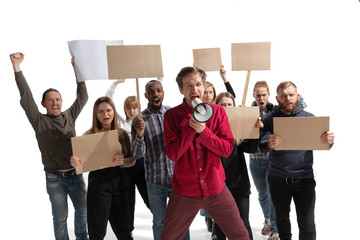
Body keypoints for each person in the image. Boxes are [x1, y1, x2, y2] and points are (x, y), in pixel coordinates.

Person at [160, 66, 249, 240]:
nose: (195, 90)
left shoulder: (218, 112)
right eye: (188, 86)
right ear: (180, 90)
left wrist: (204, 131)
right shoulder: (171, 116)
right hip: (185, 191)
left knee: (240, 234)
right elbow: (173, 154)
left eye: (198, 84)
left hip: (216, 189)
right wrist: (190, 127)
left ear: (204, 85)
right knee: (169, 237)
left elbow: (226, 149)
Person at [10, 52, 88, 240]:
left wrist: (77, 69)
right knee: (60, 219)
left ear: (62, 102)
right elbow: (25, 96)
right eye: (51, 100)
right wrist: (16, 67)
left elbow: (83, 96)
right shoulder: (39, 120)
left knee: (83, 212)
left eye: (58, 99)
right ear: (43, 104)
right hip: (55, 179)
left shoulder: (69, 115)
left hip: (76, 175)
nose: (55, 102)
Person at [259, 81, 335, 240]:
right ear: (277, 98)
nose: (288, 98)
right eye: (283, 96)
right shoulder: (269, 119)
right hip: (277, 179)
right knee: (281, 221)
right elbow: (262, 146)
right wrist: (269, 143)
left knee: (307, 222)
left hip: (304, 178)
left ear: (298, 96)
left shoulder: (309, 118)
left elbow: (326, 143)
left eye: (291, 95)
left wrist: (329, 140)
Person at [131, 80, 190, 240]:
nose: (156, 94)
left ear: (163, 92)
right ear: (145, 95)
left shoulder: (172, 114)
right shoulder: (139, 120)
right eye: (151, 91)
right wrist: (140, 134)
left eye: (159, 90)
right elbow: (136, 154)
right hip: (155, 182)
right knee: (160, 222)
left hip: (177, 180)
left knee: (182, 220)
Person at [71, 97, 135, 240]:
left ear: (113, 112)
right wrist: (75, 162)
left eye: (108, 110)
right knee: (97, 231)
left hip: (119, 182)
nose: (105, 114)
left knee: (124, 229)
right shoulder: (88, 136)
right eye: (100, 111)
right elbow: (81, 162)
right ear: (96, 114)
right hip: (98, 184)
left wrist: (123, 160)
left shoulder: (122, 134)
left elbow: (132, 159)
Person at [211, 92, 259, 240]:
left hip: (239, 183)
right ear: (216, 107)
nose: (226, 108)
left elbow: (251, 149)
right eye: (222, 105)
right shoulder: (210, 127)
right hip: (219, 185)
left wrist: (255, 130)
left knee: (243, 223)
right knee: (220, 225)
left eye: (229, 105)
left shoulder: (239, 127)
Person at [105, 80, 150, 234]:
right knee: (127, 200)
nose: (132, 111)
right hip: (125, 166)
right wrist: (115, 84)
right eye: (128, 108)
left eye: (135, 108)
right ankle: (128, 230)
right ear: (124, 109)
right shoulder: (121, 123)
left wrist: (159, 80)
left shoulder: (144, 122)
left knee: (149, 196)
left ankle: (163, 221)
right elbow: (106, 101)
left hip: (141, 164)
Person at [199, 65, 236, 232]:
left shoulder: (221, 111)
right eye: (205, 92)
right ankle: (209, 217)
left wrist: (225, 79)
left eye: (210, 92)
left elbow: (231, 98)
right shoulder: (199, 111)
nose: (207, 95)